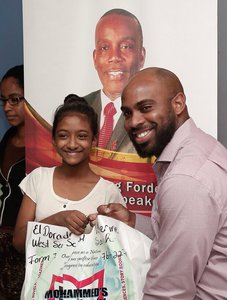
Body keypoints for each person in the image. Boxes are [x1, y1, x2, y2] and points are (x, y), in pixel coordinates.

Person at [95, 67, 227, 299]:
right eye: (127, 113)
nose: (133, 122)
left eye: (146, 108)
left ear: (178, 104)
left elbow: (169, 291)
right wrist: (132, 220)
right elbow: (180, 234)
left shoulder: (186, 178)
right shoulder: (195, 147)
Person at [13, 94, 124, 253]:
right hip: (41, 277)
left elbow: (118, 250)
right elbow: (18, 242)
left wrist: (101, 230)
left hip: (91, 278)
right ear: (53, 140)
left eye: (82, 136)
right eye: (63, 136)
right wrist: (57, 219)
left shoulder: (108, 191)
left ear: (94, 140)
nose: (72, 144)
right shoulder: (38, 179)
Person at [84, 8, 146, 153]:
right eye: (104, 47)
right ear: (95, 58)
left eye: (125, 46)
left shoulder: (154, 116)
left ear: (141, 57)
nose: (114, 57)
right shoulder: (75, 109)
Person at [0, 64, 26, 299]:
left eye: (15, 99)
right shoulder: (6, 139)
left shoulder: (45, 148)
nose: (7, 107)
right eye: (4, 101)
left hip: (24, 244)